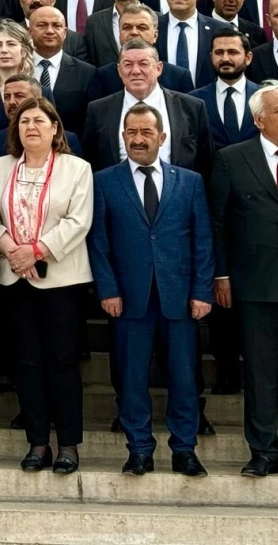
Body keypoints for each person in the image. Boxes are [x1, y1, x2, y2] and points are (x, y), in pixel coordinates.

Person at [89, 103, 213, 477]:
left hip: (179, 297)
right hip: (128, 299)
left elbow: (203, 241)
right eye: (131, 133)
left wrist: (202, 291)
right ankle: (139, 449)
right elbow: (98, 242)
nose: (138, 139)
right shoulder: (105, 181)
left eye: (146, 133)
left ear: (162, 138)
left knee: (184, 378)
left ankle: (184, 450)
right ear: (122, 137)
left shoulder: (189, 181)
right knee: (132, 378)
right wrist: (108, 289)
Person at [0, 97, 94, 474]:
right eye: (24, 122)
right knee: (27, 362)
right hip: (12, 278)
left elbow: (78, 220)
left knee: (62, 361)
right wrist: (11, 250)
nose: (31, 127)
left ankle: (68, 444)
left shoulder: (76, 168)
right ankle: (38, 443)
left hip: (61, 279)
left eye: (39, 120)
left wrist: (35, 251)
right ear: (15, 131)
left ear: (55, 129)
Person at [211, 80, 278, 477]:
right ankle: (264, 453)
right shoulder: (231, 159)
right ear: (260, 120)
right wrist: (221, 274)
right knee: (261, 376)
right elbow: (219, 222)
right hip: (254, 285)